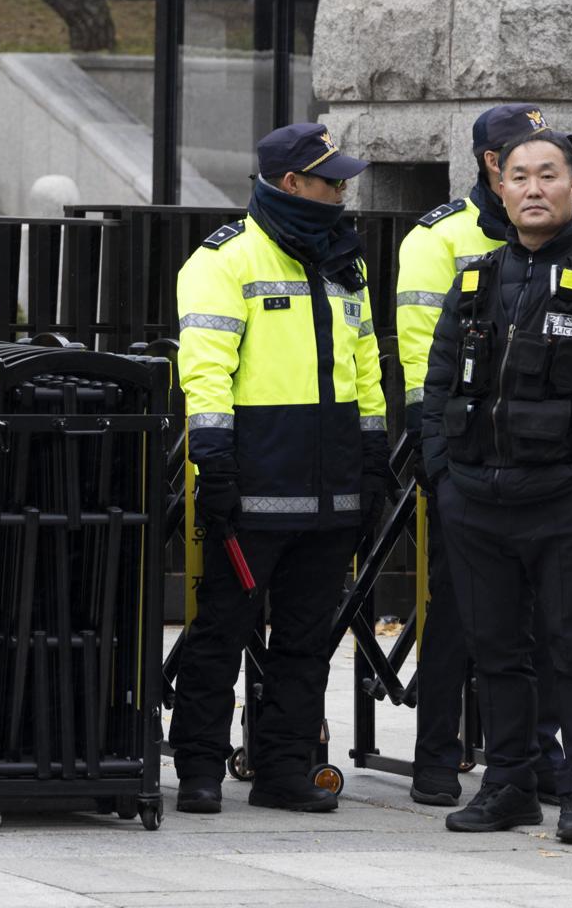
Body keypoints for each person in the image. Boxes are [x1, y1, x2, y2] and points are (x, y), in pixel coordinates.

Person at [419, 129, 572, 845]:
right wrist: (442, 474)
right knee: (496, 652)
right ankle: (509, 785)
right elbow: (436, 385)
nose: (531, 189)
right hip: (476, 501)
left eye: (547, 175)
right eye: (518, 176)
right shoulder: (475, 278)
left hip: (564, 502)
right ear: (499, 188)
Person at [171, 123, 393, 816]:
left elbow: (364, 370)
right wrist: (214, 468)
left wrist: (374, 462)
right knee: (220, 633)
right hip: (256, 489)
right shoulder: (224, 260)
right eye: (332, 180)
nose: (343, 190)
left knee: (305, 642)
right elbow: (205, 372)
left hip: (329, 493)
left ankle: (283, 770)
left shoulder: (342, 262)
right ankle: (200, 770)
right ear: (291, 183)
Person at [396, 104, 572, 808]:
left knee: (543, 613)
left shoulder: (560, 232)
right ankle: (437, 754)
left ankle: (534, 752)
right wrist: (435, 457)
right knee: (457, 612)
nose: (532, 175)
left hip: (541, 458)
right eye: (515, 159)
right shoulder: (440, 238)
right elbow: (419, 356)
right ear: (490, 166)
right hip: (466, 457)